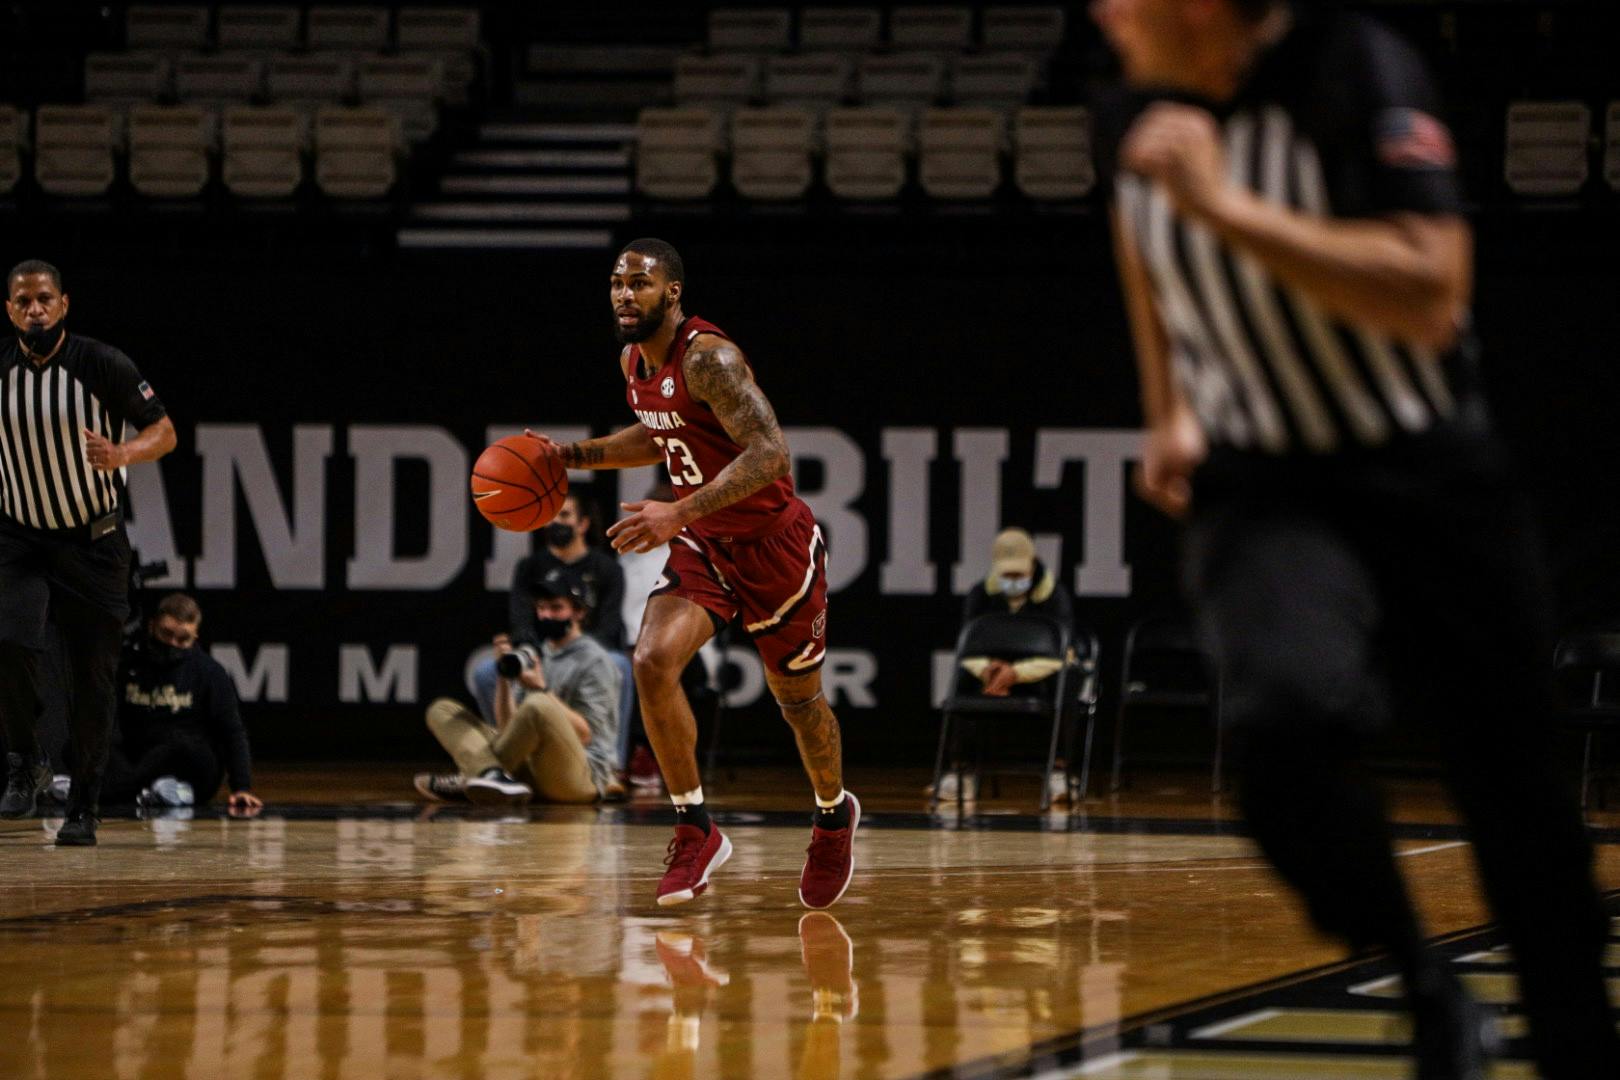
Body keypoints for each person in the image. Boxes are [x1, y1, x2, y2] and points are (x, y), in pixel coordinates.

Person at [1094, 2, 1620, 1076]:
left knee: (1516, 798)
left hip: (1422, 467)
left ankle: (1578, 1051)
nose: (1104, 11)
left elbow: (1430, 292)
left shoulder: (1356, 67)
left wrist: (1226, 207)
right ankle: (1425, 985)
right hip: (1266, 482)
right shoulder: (1132, 107)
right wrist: (1171, 400)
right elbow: (1141, 231)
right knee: (1277, 737)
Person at [527, 237, 858, 910]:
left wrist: (676, 511)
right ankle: (694, 826)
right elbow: (658, 431)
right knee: (651, 660)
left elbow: (770, 453)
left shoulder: (711, 357)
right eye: (618, 283)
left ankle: (831, 815)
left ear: (671, 293)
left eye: (639, 284)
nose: (625, 294)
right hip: (707, 544)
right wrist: (570, 456)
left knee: (798, 702)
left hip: (775, 548)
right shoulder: (632, 361)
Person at [0, 260, 177, 846]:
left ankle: (85, 806)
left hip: (93, 539)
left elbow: (165, 430)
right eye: (23, 301)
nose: (35, 309)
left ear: (64, 305)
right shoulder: (0, 370)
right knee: (10, 642)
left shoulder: (101, 363)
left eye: (44, 299)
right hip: (20, 536)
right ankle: (25, 758)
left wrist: (124, 455)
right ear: (9, 310)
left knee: (92, 676)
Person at [420, 568, 624, 806]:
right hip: (531, 768)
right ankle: (490, 775)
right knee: (442, 710)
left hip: (581, 776)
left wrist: (541, 689)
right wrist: (504, 679)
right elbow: (509, 728)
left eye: (556, 608)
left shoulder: (594, 660)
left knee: (538, 704)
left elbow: (587, 735)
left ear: (578, 612)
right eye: (541, 608)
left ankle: (474, 775)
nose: (546, 615)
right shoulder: (537, 655)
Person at [474, 493, 633, 742]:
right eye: (551, 516)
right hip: (540, 654)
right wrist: (540, 654)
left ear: (583, 524)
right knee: (485, 673)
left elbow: (610, 626)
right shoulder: (530, 567)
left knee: (620, 666)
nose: (556, 522)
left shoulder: (607, 569)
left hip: (588, 654)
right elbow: (521, 622)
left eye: (565, 515)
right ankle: (510, 754)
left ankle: (611, 765)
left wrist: (576, 654)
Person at [936, 527, 1076, 802]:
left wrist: (1017, 673)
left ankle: (1059, 771)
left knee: (1067, 681)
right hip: (992, 676)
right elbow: (967, 646)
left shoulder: (1055, 596)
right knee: (962, 677)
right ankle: (961, 771)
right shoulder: (981, 595)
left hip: (1037, 676)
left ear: (1032, 565)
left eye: (1018, 574)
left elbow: (1063, 652)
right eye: (1006, 574)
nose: (1012, 580)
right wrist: (987, 669)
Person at [103, 592, 261, 813]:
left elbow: (232, 732)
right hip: (137, 755)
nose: (173, 644)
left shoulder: (210, 673)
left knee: (187, 748)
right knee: (94, 747)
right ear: (151, 627)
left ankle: (121, 789)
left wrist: (242, 786)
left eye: (183, 639)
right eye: (166, 634)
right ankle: (154, 791)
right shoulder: (127, 664)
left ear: (195, 636)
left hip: (184, 760)